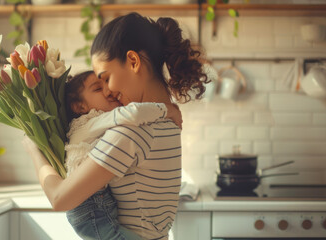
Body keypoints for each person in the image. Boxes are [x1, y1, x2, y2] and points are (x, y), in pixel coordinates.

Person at [23, 12, 207, 240]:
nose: (108, 91)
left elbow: (60, 199)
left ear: (133, 61)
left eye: (106, 78)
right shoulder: (167, 121)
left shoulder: (130, 133)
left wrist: (34, 148)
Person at [63, 70, 178, 240]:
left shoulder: (97, 123)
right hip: (90, 207)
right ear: (80, 107)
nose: (108, 91)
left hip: (96, 203)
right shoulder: (88, 123)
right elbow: (133, 114)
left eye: (107, 84)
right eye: (97, 89)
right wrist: (167, 109)